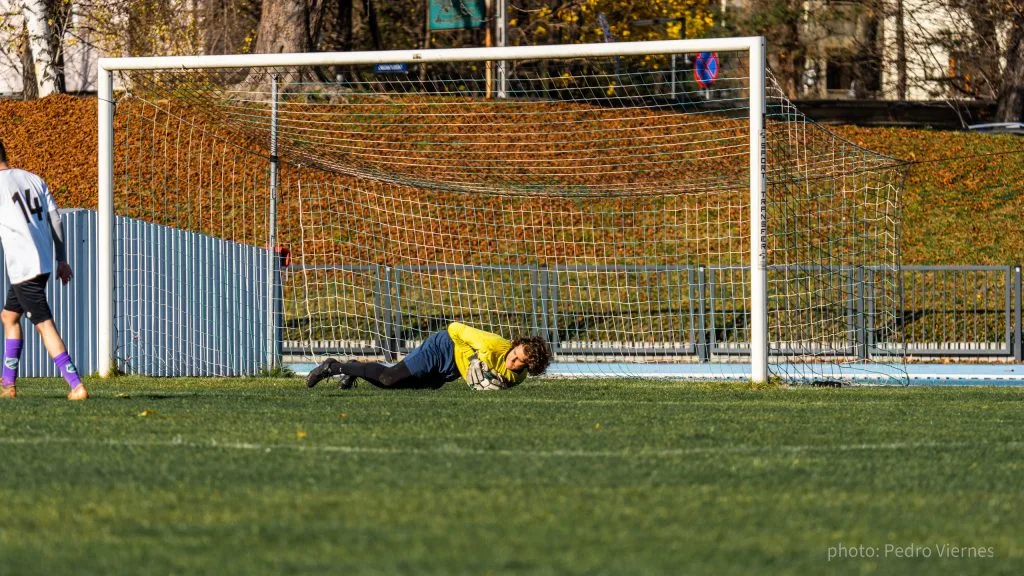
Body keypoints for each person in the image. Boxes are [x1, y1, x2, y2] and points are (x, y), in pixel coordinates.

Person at [0, 140, 87, 400]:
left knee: (44, 325)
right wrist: (62, 259)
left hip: (24, 267)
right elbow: (55, 219)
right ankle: (8, 384)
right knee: (9, 316)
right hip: (43, 262)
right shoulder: (33, 178)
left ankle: (76, 385)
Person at [306, 321, 551, 391]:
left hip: (451, 369)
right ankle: (332, 366)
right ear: (515, 345)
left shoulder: (517, 377)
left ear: (528, 368)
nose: (512, 361)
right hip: (442, 347)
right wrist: (474, 359)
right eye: (515, 354)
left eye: (519, 362)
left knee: (395, 384)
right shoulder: (493, 344)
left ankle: (353, 367)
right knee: (390, 378)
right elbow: (455, 328)